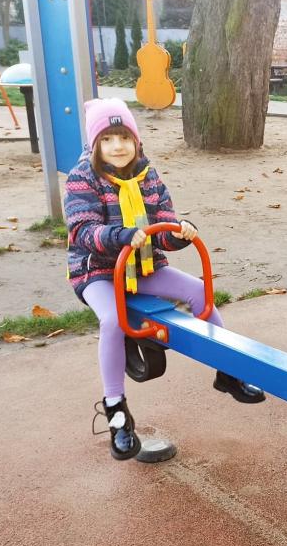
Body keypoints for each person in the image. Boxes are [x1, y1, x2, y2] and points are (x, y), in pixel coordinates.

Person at [65, 98, 265, 461]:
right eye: (107, 139)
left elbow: (163, 225)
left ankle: (228, 370)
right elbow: (82, 231)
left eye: (124, 137)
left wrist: (179, 233)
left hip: (143, 267)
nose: (118, 146)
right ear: (95, 144)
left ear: (136, 140)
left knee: (199, 292)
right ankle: (116, 410)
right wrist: (121, 236)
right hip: (98, 271)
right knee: (112, 319)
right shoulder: (83, 178)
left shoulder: (147, 175)